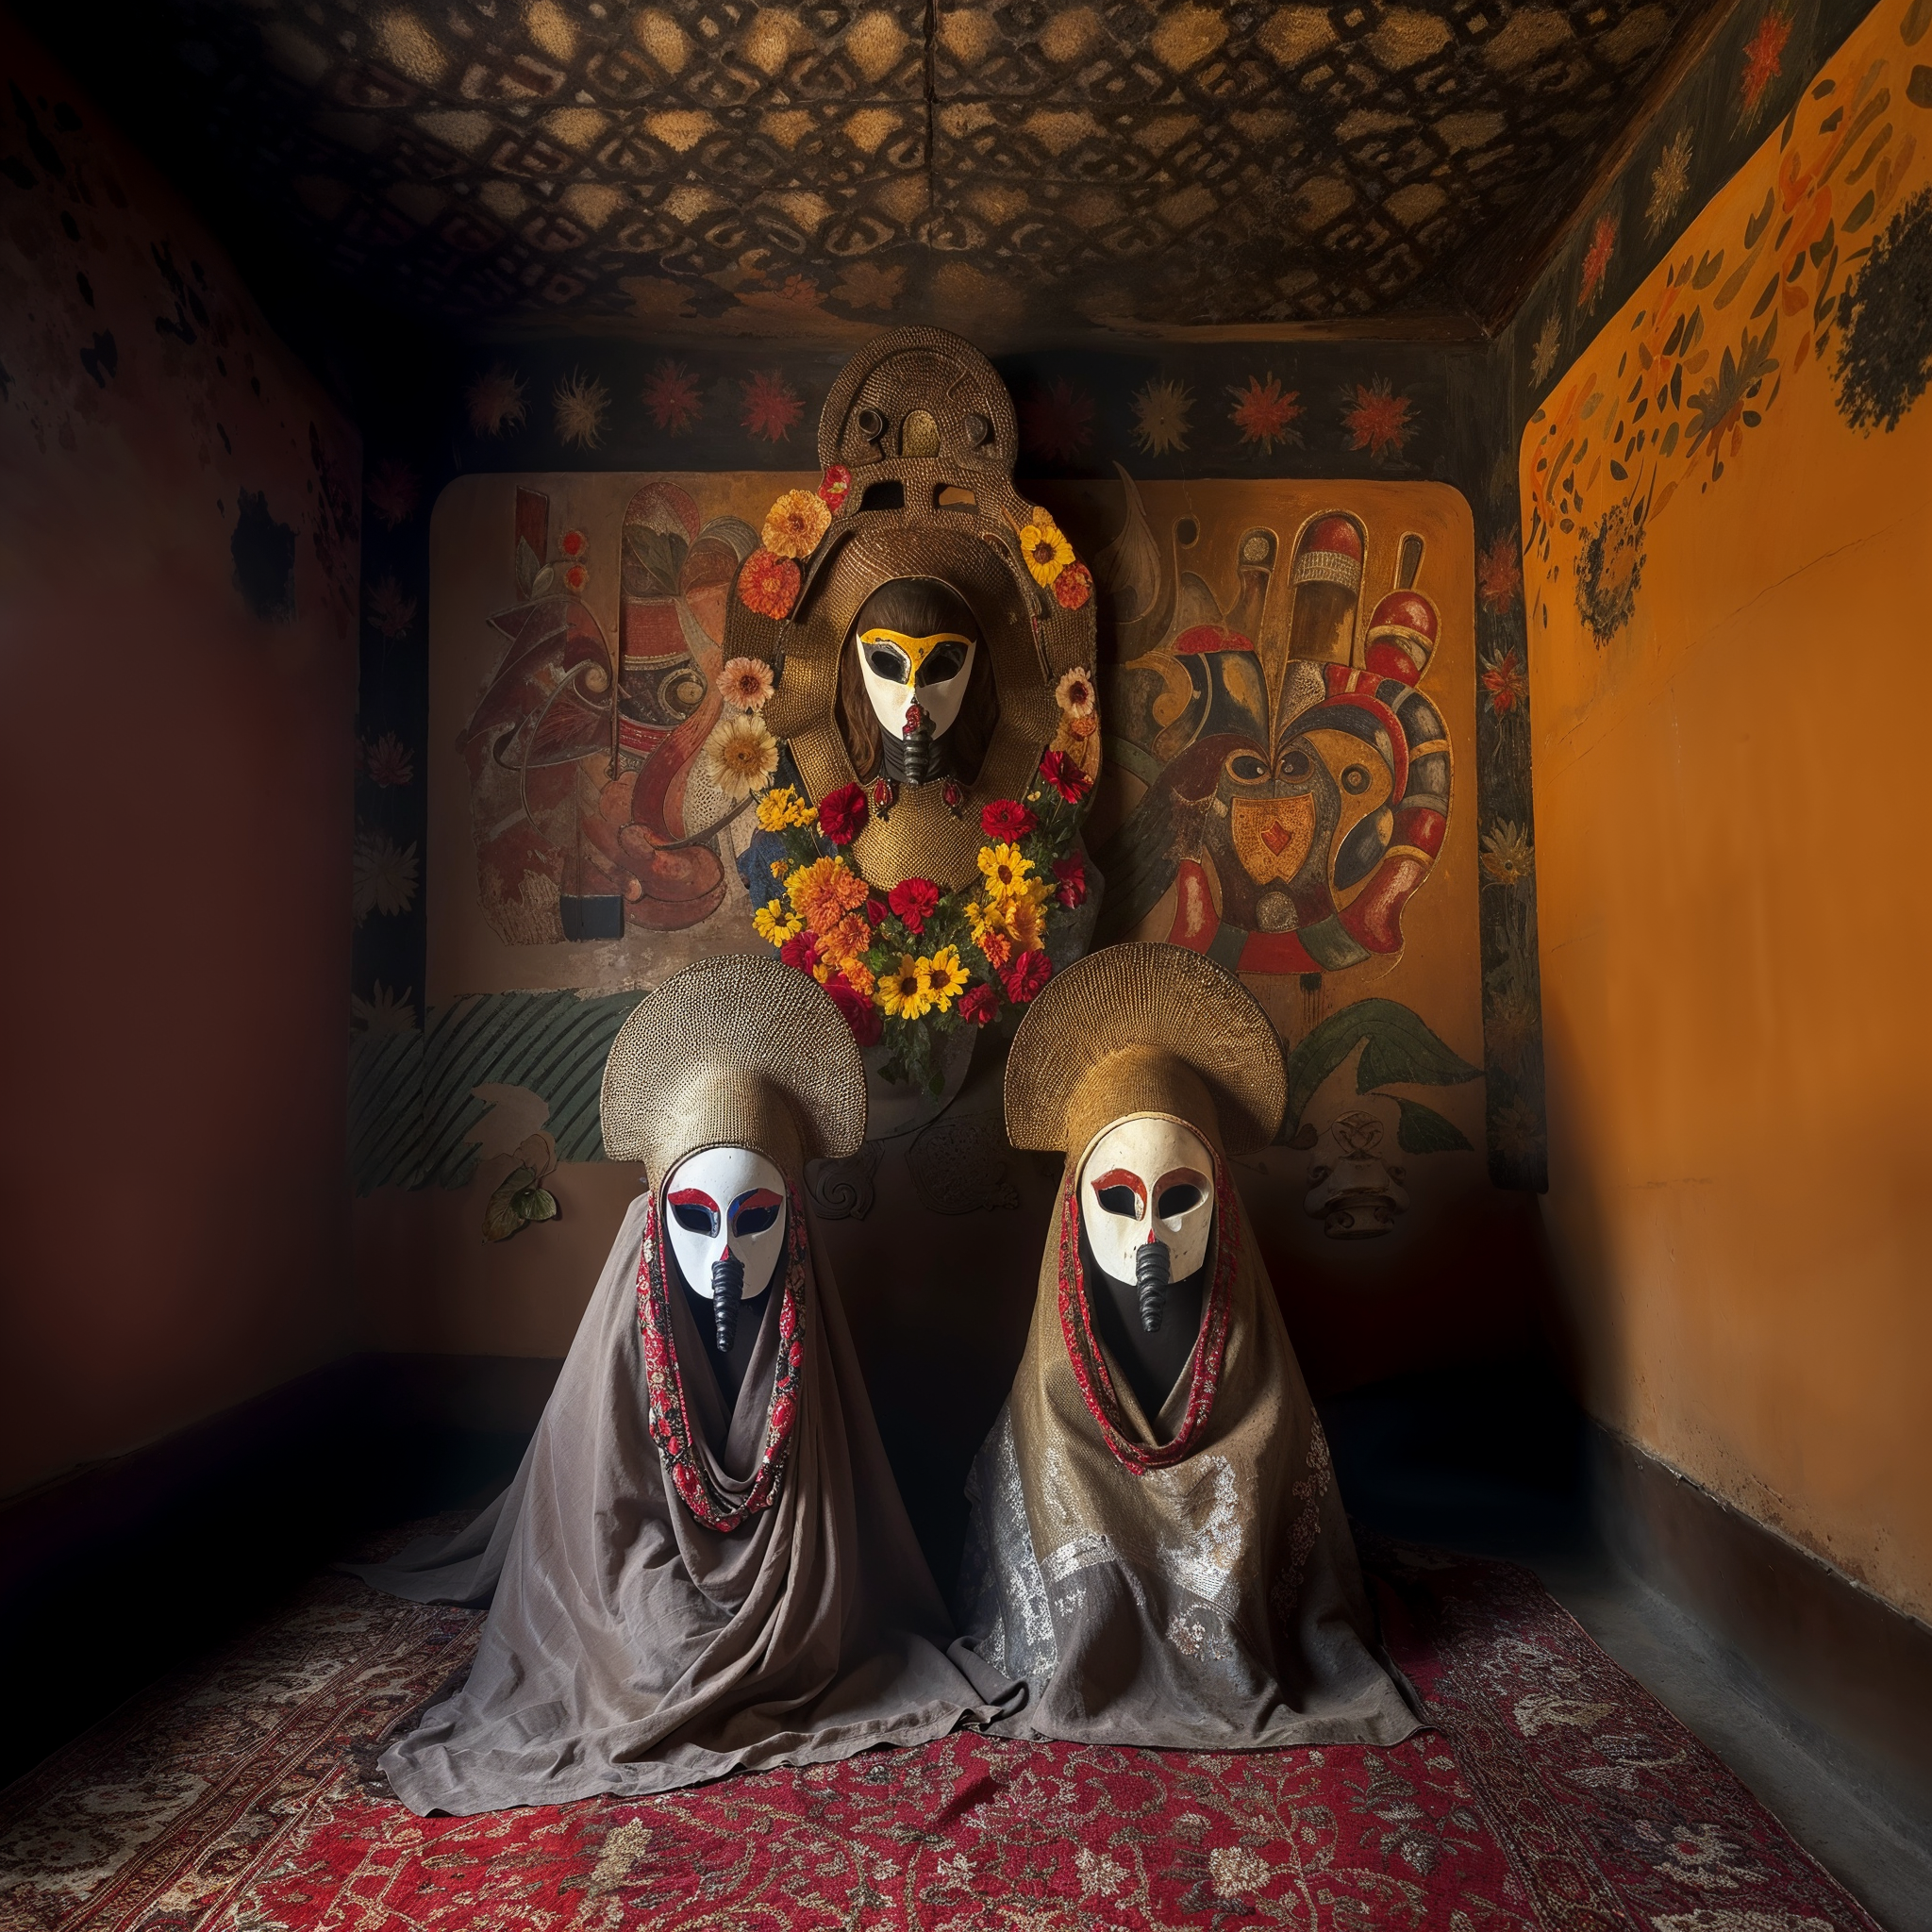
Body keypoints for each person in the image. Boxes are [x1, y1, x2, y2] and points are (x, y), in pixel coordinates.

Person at [352, 953, 1014, 1811]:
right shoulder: (633, 1317)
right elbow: (608, 1524)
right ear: (655, 1214)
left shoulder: (802, 1313)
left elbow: (821, 1548)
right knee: (641, 1651)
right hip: (647, 1557)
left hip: (779, 1586)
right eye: (695, 1220)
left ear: (795, 1222)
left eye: (756, 1220)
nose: (725, 1258)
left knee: (790, 1648)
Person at [955, 941, 1421, 1749]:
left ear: (1220, 1201)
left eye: (1179, 1199)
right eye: (1118, 1199)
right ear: (1075, 1206)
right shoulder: (1055, 1374)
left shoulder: (1250, 1356)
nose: (1150, 1237)